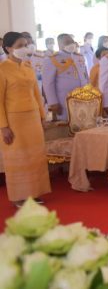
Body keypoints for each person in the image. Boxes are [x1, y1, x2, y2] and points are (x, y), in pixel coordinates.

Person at [0, 32, 51, 207]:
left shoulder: (28, 66)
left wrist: (43, 116)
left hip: (33, 117)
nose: (24, 48)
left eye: (25, 44)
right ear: (8, 48)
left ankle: (33, 193)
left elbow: (36, 93)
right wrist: (3, 127)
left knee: (34, 156)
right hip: (14, 120)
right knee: (18, 158)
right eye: (20, 45)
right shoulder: (2, 68)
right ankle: (19, 196)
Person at [42, 33, 89, 121]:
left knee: (83, 123)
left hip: (82, 98)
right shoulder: (52, 59)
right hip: (63, 101)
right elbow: (48, 83)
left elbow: (86, 76)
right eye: (67, 42)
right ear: (60, 44)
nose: (71, 44)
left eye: (72, 42)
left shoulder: (79, 57)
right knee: (66, 127)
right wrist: (53, 102)